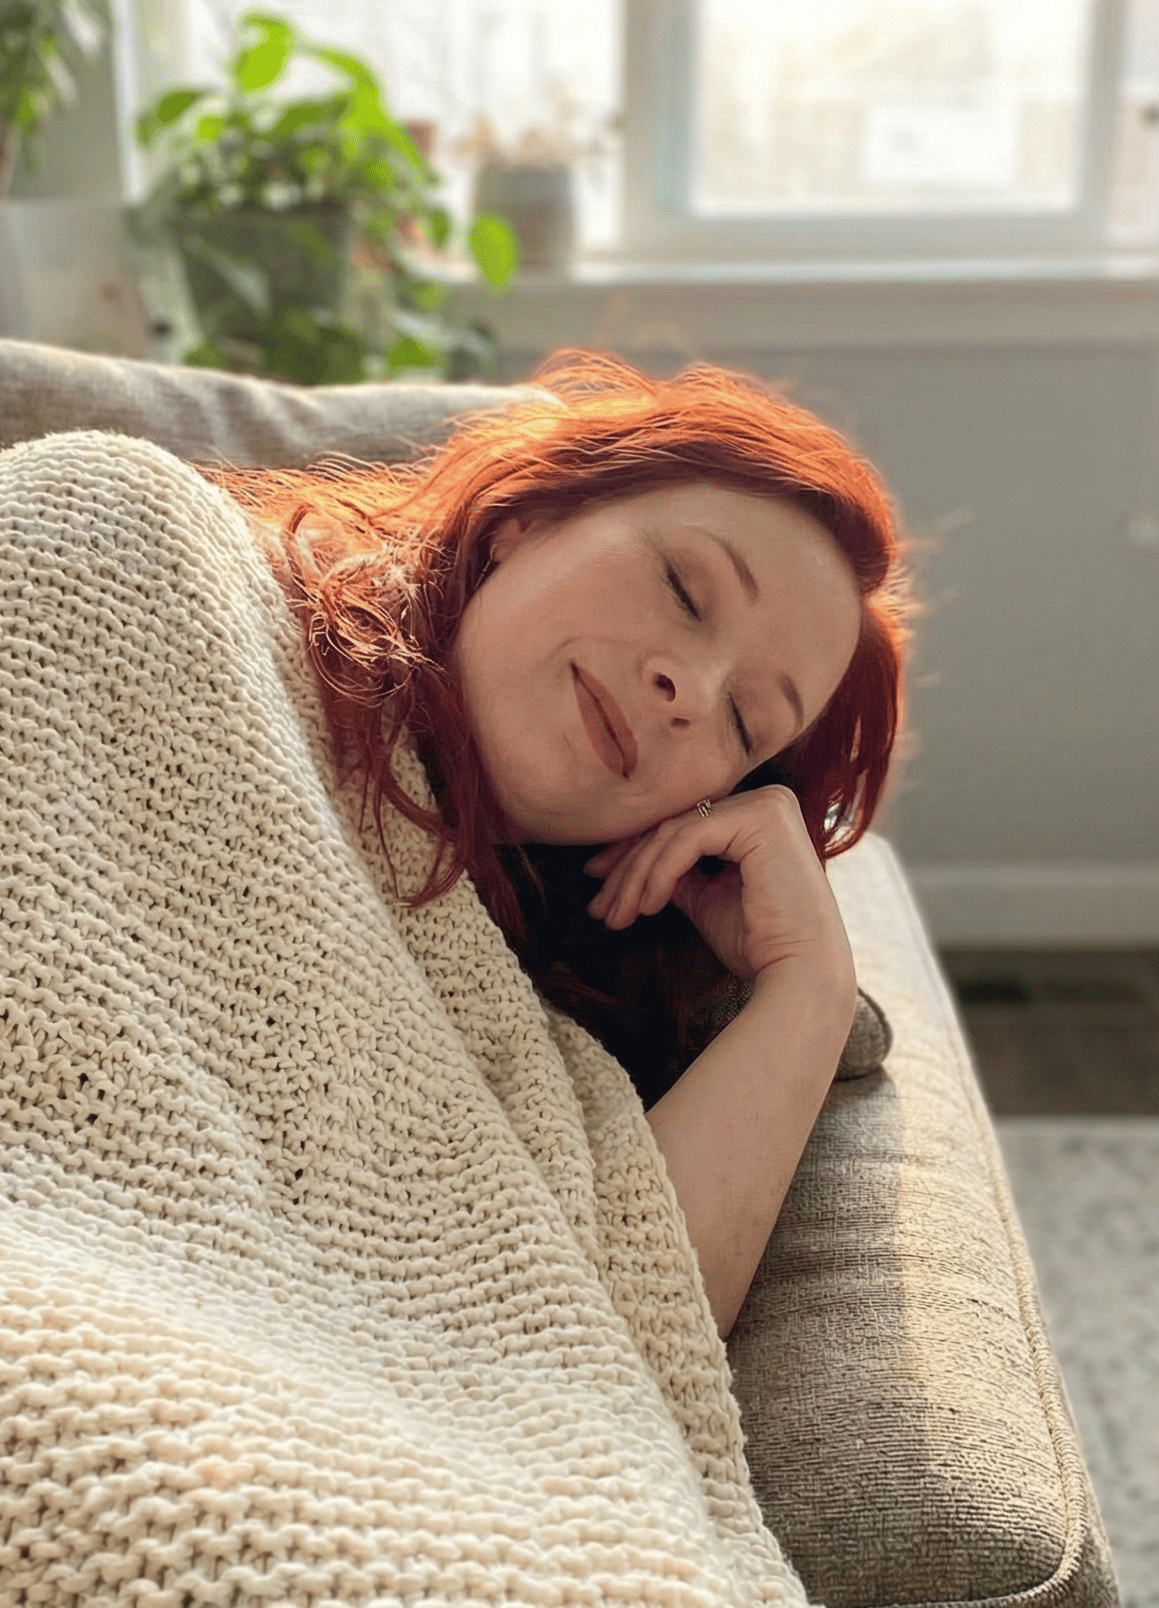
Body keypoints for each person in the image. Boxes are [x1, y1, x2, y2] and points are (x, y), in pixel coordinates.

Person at [215, 350, 912, 1334]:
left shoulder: (538, 1037)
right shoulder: (177, 581)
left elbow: (611, 1343)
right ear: (527, 517)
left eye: (747, 722)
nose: (692, 690)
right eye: (683, 587)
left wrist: (806, 984)